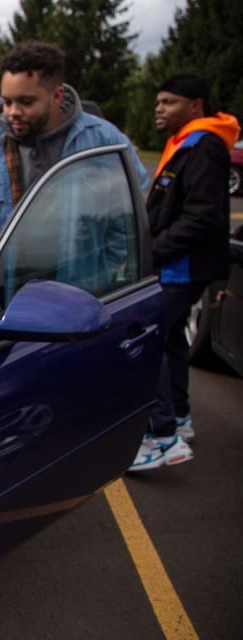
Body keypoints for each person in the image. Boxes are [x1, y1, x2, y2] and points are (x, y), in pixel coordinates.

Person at [0, 41, 148, 281]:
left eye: (26, 102)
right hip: (5, 298)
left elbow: (128, 217)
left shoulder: (103, 141)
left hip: (82, 299)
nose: (12, 111)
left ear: (57, 95)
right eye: (7, 101)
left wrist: (110, 277)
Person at [129, 74, 239, 472]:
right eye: (158, 101)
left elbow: (202, 217)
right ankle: (178, 415)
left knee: (148, 340)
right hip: (175, 265)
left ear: (196, 106)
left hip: (181, 267)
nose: (159, 108)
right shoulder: (187, 141)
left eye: (169, 102)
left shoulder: (204, 146)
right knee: (172, 340)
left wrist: (152, 251)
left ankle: (162, 437)